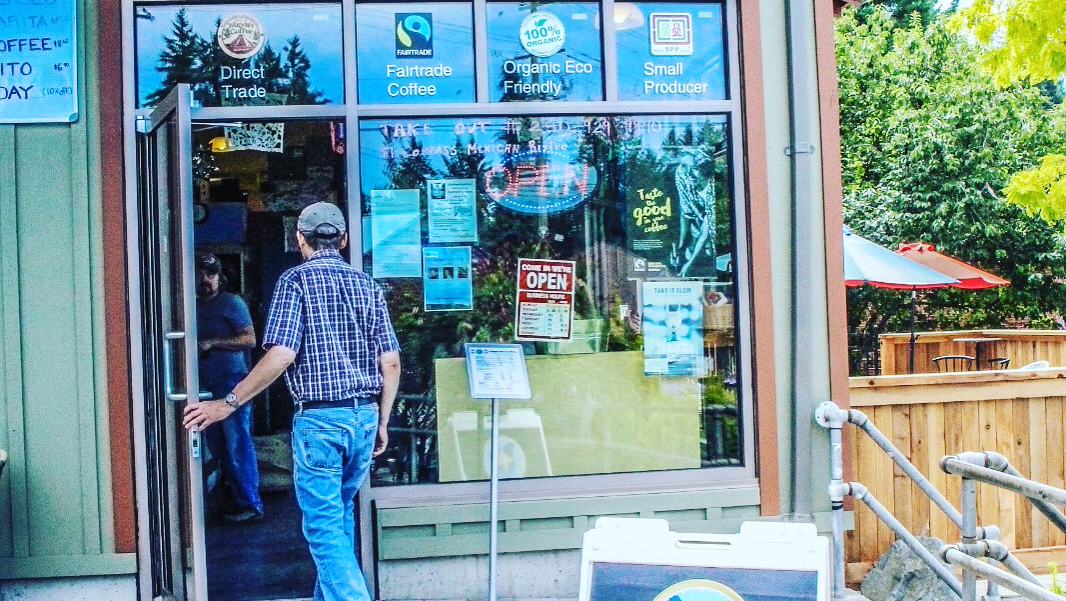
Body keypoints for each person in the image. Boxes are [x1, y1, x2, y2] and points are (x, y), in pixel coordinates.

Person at [183, 202, 401, 601]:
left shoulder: (295, 280)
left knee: (323, 527)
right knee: (338, 516)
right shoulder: (367, 284)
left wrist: (227, 404)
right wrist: (383, 421)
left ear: (300, 238)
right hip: (365, 418)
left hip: (321, 420)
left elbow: (282, 354)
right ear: (344, 239)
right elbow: (391, 361)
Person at [195, 253, 263, 523]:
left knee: (237, 445)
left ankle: (251, 504)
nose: (204, 279)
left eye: (210, 274)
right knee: (218, 447)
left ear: (219, 277)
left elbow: (250, 339)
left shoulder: (232, 303)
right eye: (199, 273)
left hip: (231, 381)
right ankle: (235, 499)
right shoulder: (188, 304)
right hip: (204, 383)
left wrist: (212, 342)